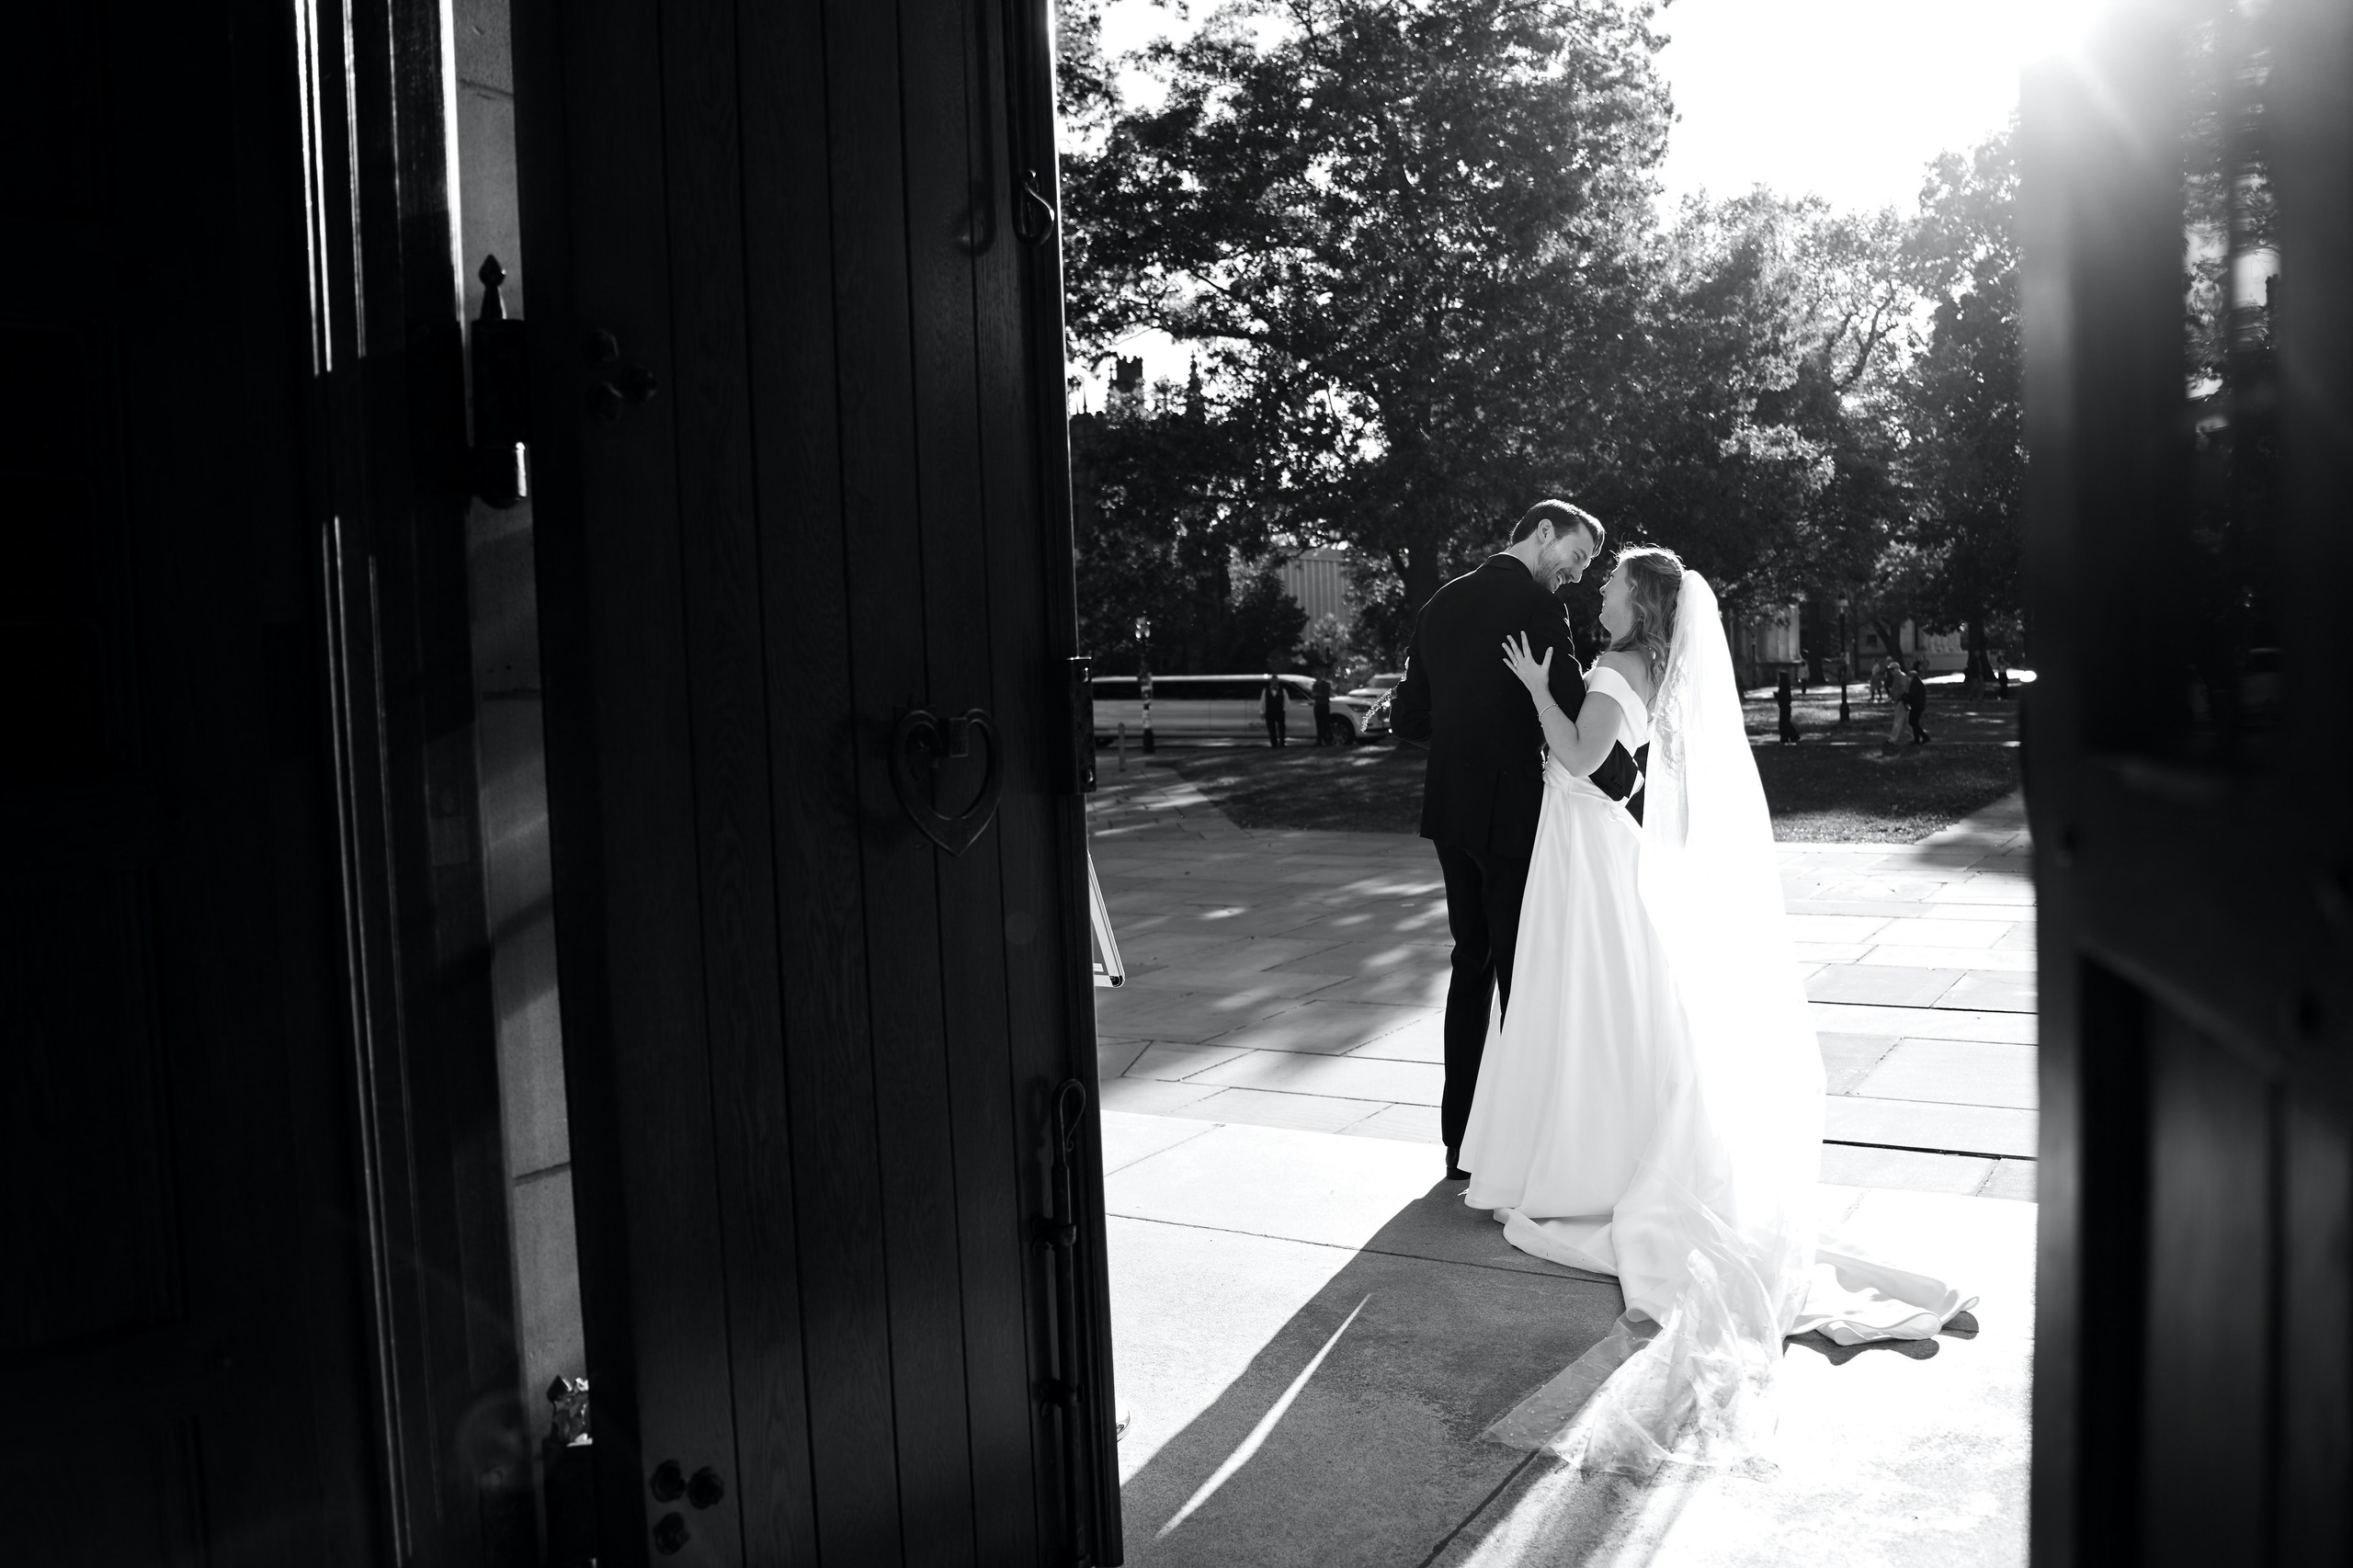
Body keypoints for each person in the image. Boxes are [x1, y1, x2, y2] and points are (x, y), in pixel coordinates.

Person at [1460, 544, 1972, 1475]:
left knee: (1587, 1004)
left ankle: (1579, 1158)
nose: (1600, 588)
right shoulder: (1653, 665)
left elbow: (1581, 754)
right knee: (1608, 1007)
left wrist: (1538, 689)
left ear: (1640, 600)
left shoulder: (1617, 666)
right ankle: (1586, 1137)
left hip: (1587, 854)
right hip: (1599, 843)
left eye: (1612, 582)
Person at [1392, 500, 1639, 1179]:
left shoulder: (1441, 602)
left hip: (1450, 810)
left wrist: (1465, 742)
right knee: (1519, 971)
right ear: (1543, 533)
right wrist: (1628, 782)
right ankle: (1515, 1146)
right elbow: (1569, 711)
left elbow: (1409, 716)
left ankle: (1460, 1141)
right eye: (1578, 556)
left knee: (1469, 962)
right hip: (1511, 814)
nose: (1579, 575)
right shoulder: (1536, 607)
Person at [1884, 659, 1911, 747]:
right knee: (1906, 723)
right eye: (1890, 670)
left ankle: (1892, 739)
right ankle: (1917, 737)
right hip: (1902, 701)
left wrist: (1895, 696)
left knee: (1898, 721)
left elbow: (1903, 689)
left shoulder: (1901, 677)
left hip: (1902, 701)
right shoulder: (1898, 677)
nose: (1891, 672)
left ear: (1897, 669)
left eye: (1892, 669)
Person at [1905, 658, 1931, 744]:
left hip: (1917, 705)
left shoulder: (1915, 683)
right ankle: (1920, 738)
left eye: (1909, 677)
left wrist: (1906, 699)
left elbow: (1912, 694)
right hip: (1918, 704)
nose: (1908, 679)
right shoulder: (1917, 682)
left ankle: (1921, 738)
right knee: (1913, 722)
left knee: (1913, 722)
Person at [1260, 674, 1288, 747]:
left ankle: (1282, 742)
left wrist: (1284, 710)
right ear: (1271, 682)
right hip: (1269, 711)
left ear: (1278, 682)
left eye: (1276, 681)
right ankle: (1274, 743)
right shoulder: (1265, 690)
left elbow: (1286, 701)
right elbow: (1262, 701)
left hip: (1280, 711)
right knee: (1271, 728)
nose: (1274, 682)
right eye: (1273, 681)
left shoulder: (1283, 690)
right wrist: (1262, 712)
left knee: (1281, 728)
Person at [1774, 669, 1798, 744]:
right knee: (1786, 723)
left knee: (1783, 723)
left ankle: (1787, 738)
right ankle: (1792, 737)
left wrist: (1776, 696)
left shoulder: (1783, 686)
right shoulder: (1786, 686)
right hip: (1786, 706)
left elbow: (1782, 697)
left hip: (1784, 706)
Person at [1312, 676, 1335, 745]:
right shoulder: (1315, 685)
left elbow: (1326, 695)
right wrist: (1316, 695)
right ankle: (1319, 740)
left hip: (1324, 705)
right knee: (1318, 724)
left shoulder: (1325, 685)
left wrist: (1318, 694)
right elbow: (1312, 695)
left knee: (1326, 723)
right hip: (1317, 705)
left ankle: (1328, 740)